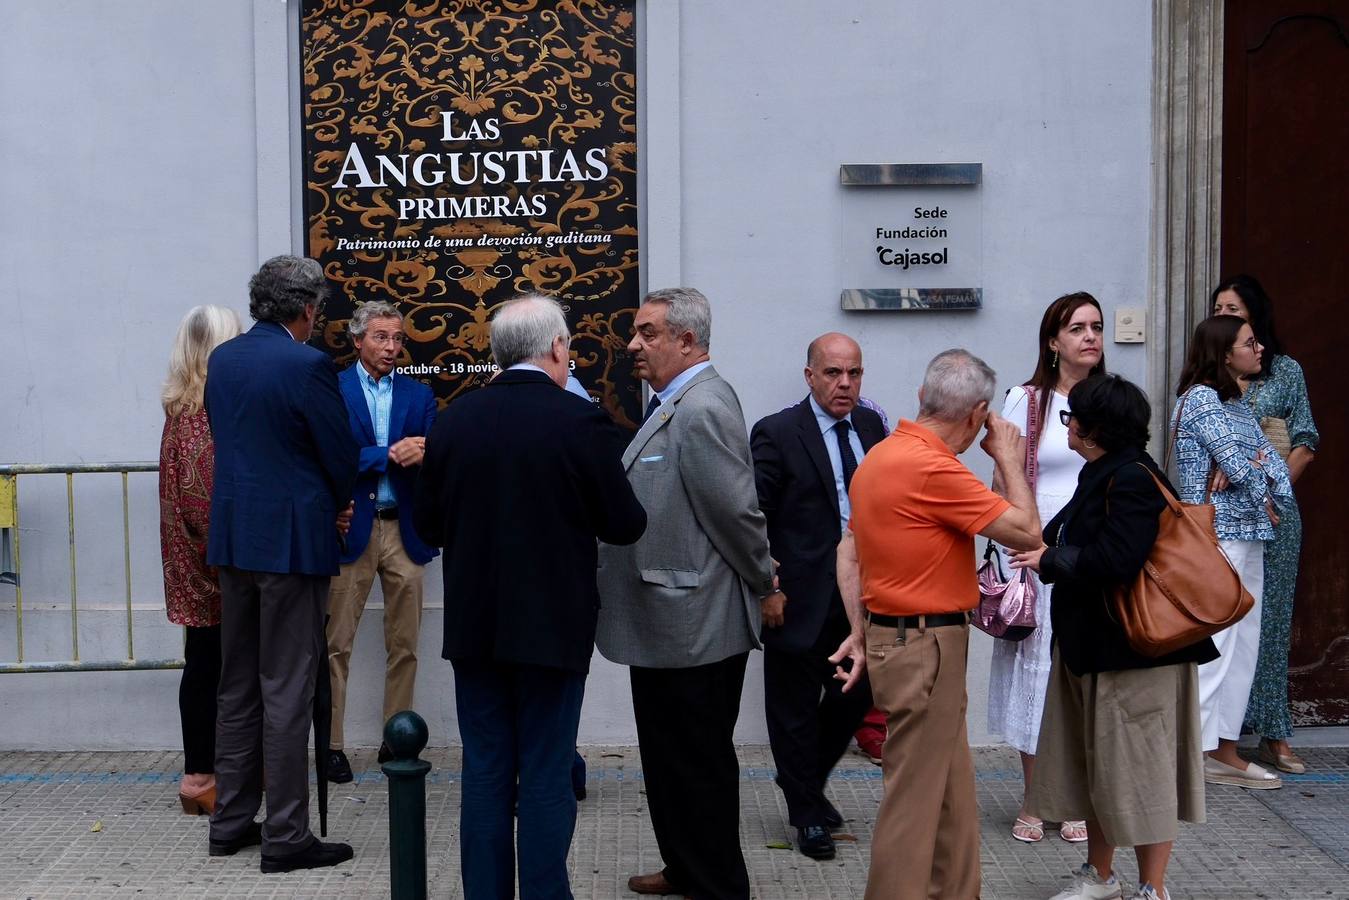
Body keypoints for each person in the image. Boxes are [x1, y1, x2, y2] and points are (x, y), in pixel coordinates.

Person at [413, 294, 645, 900]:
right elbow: (625, 523)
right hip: (552, 626)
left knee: (485, 771)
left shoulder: (454, 420)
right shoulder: (580, 422)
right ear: (556, 348)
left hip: (476, 626)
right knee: (545, 773)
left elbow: (428, 526)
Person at [832, 349, 1042, 900]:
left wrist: (859, 629)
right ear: (977, 414)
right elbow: (1027, 532)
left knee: (950, 790)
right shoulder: (933, 467)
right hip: (924, 643)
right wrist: (1010, 462)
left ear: (922, 398)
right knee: (915, 800)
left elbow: (848, 550)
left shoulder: (881, 456)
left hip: (905, 638)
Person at [595, 287, 777, 900]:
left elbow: (736, 514)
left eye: (648, 333)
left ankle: (718, 885)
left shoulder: (702, 407)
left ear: (686, 340)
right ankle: (683, 865)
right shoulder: (675, 401)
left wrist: (765, 580)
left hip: (693, 623)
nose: (634, 345)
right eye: (637, 333)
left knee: (696, 764)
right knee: (669, 761)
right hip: (666, 620)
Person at [1019, 374, 1217, 900]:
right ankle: (1101, 877)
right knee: (1101, 768)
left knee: (1144, 773)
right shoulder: (1103, 472)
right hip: (1099, 650)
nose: (1069, 425)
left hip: (1136, 655)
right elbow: (1053, 532)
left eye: (1072, 418)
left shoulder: (1129, 478)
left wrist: (1052, 560)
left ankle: (1152, 888)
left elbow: (1118, 560)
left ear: (1091, 428)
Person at [204, 255, 359, 873]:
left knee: (237, 682)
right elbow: (338, 452)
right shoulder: (307, 364)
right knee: (288, 684)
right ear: (307, 308)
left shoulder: (224, 358)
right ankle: (288, 833)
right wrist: (338, 503)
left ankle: (231, 821)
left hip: (236, 535)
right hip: (292, 540)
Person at [749, 332, 884, 861]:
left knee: (859, 697)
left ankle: (802, 785)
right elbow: (752, 516)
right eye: (833, 373)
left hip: (862, 597)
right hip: (798, 597)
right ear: (810, 376)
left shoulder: (871, 427)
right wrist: (768, 586)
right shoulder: (778, 432)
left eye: (853, 373)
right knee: (793, 711)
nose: (844, 383)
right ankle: (806, 814)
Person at [987, 291, 1105, 845]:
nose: (1090, 336)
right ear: (1053, 341)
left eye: (1097, 327)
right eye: (1077, 327)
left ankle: (1076, 796)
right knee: (1037, 674)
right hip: (1035, 555)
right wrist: (1017, 540)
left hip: (1093, 557)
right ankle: (1036, 798)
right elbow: (1001, 482)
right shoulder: (1025, 400)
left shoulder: (1111, 400)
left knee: (1083, 671)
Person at [1173, 315, 1293, 790]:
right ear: (1224, 353)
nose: (1259, 347)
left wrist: (1254, 469)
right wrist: (1251, 469)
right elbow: (1246, 468)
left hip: (1249, 535)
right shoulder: (1202, 399)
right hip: (1218, 537)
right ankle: (1194, 753)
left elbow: (1273, 471)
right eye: (1249, 342)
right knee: (1217, 646)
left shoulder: (1236, 404)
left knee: (1243, 645)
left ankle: (1224, 748)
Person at [325, 301, 438, 783]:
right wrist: (388, 454)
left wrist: (425, 451)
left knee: (405, 644)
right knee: (336, 644)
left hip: (404, 528)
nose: (392, 347)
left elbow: (436, 452)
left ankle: (397, 737)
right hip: (351, 528)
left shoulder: (420, 394)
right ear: (357, 341)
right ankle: (331, 745)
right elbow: (330, 454)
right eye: (381, 337)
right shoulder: (333, 389)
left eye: (397, 338)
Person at [1211, 275, 1319, 774]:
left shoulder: (1285, 371)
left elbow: (1305, 438)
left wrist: (1275, 486)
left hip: (1277, 514)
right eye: (1219, 310)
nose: (1227, 316)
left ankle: (1273, 733)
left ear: (1255, 317)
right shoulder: (1209, 379)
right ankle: (1216, 736)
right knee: (1224, 621)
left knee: (1270, 622)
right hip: (1225, 519)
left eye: (1235, 309)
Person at [158, 304, 241, 816]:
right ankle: (205, 777)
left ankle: (202, 775)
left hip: (189, 562)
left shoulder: (179, 410)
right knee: (217, 667)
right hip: (213, 566)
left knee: (204, 663)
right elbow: (201, 499)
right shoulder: (204, 417)